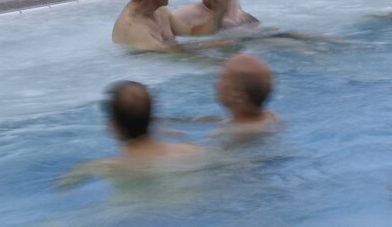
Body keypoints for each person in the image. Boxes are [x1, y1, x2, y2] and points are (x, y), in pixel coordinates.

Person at [56, 81, 205, 185]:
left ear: (112, 126)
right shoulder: (193, 152)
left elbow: (62, 186)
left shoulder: (102, 167)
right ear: (152, 119)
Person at [212, 53, 280, 137]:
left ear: (238, 95)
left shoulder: (237, 134)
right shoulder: (270, 116)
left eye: (221, 78)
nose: (215, 84)